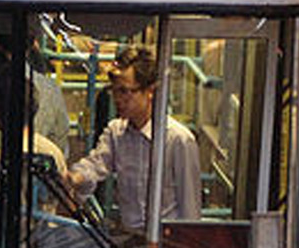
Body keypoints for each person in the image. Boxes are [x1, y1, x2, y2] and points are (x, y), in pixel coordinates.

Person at [67, 45, 201, 230]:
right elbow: (96, 164)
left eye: (124, 91)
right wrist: (74, 177)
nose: (117, 99)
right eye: (114, 91)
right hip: (130, 238)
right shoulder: (116, 131)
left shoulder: (178, 139)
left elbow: (190, 209)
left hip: (167, 241)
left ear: (150, 91)